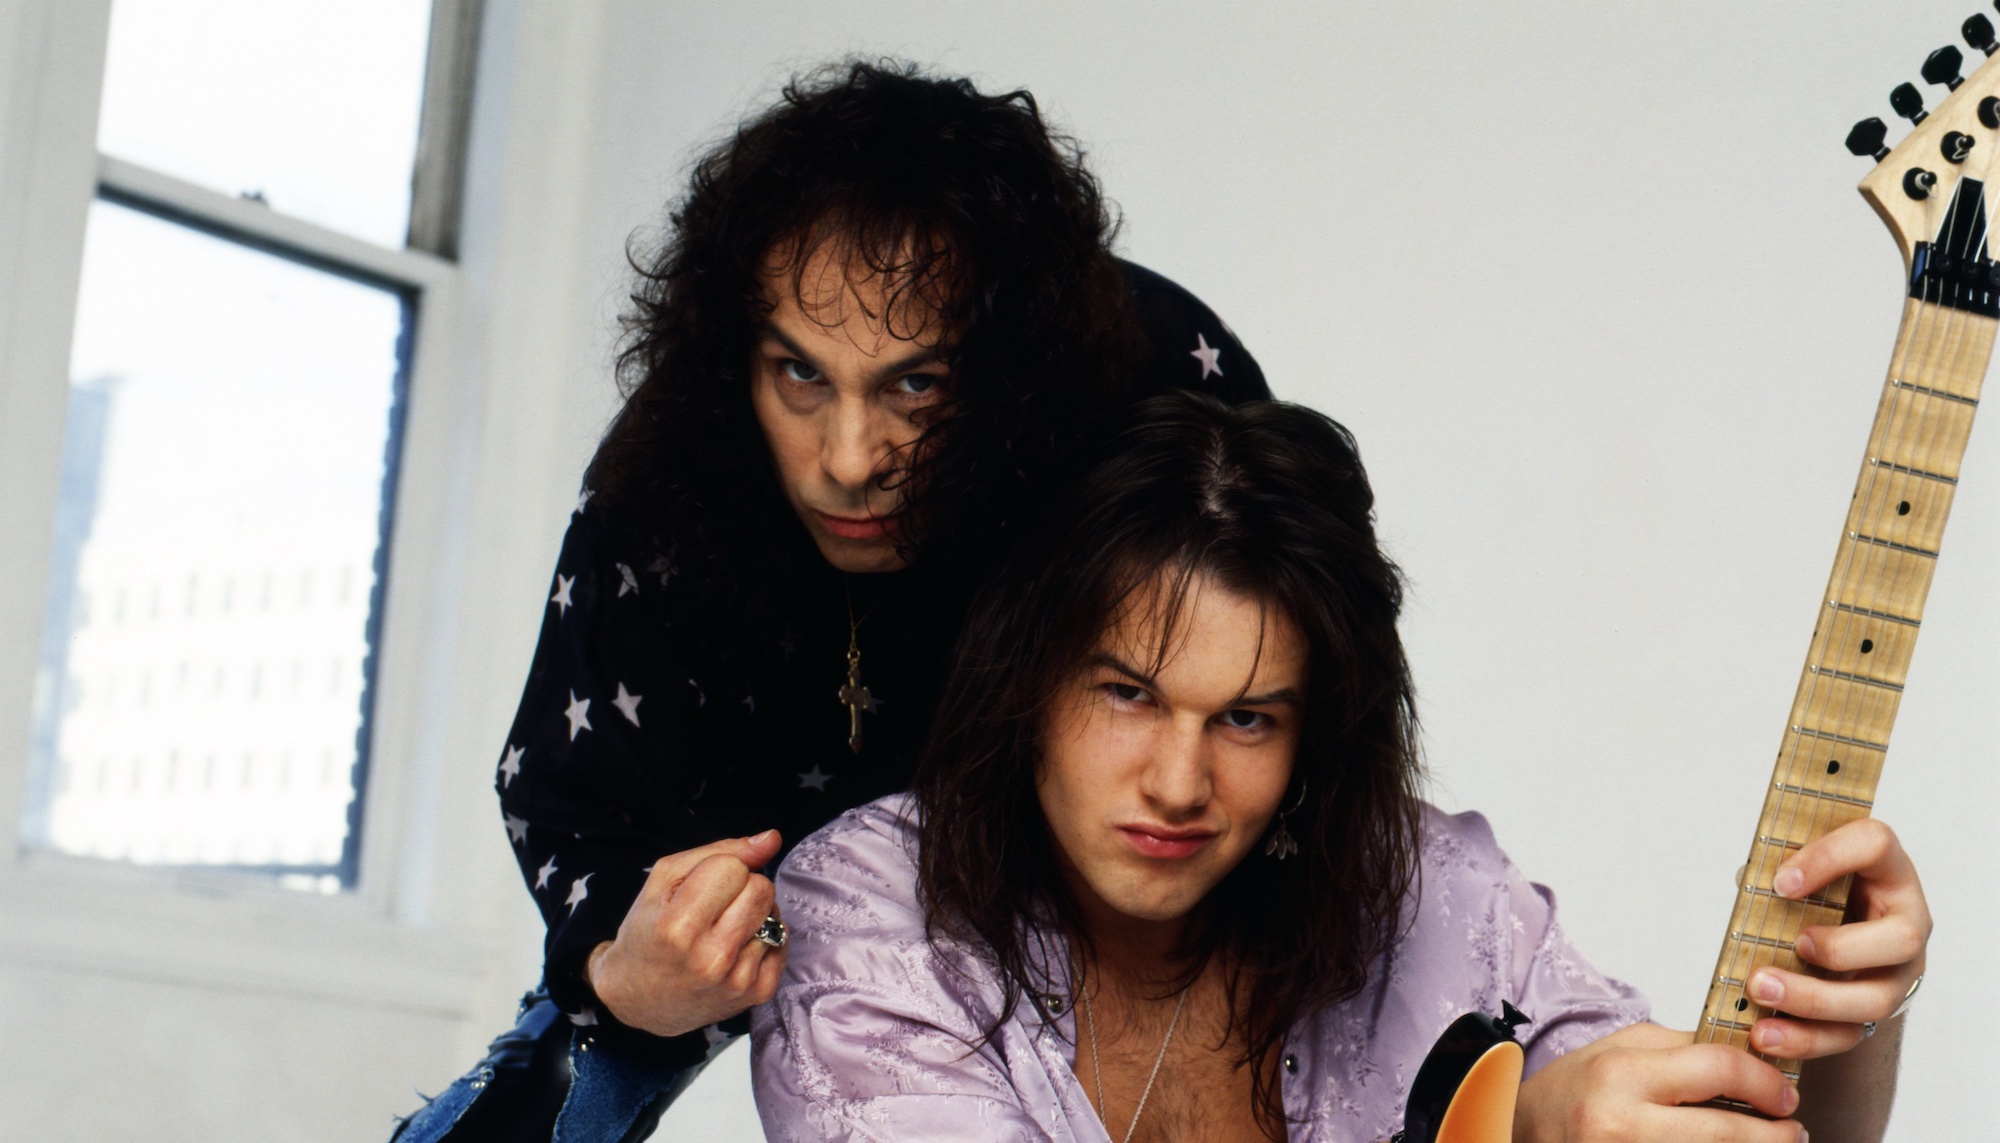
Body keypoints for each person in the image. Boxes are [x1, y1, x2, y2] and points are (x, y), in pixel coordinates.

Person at [394, 61, 1269, 1142]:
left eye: (915, 384)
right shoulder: (663, 480)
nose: (849, 462)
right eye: (799, 376)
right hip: (751, 892)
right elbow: (576, 797)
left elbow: (1288, 665)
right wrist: (629, 974)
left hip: (1090, 883)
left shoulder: (1155, 390)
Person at [751, 392, 1932, 1142]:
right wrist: (1511, 1131)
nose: (1177, 782)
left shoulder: (1429, 893)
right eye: (1127, 696)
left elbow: (1712, 1128)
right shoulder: (869, 909)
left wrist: (1831, 1018)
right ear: (1028, 679)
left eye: (1248, 719)